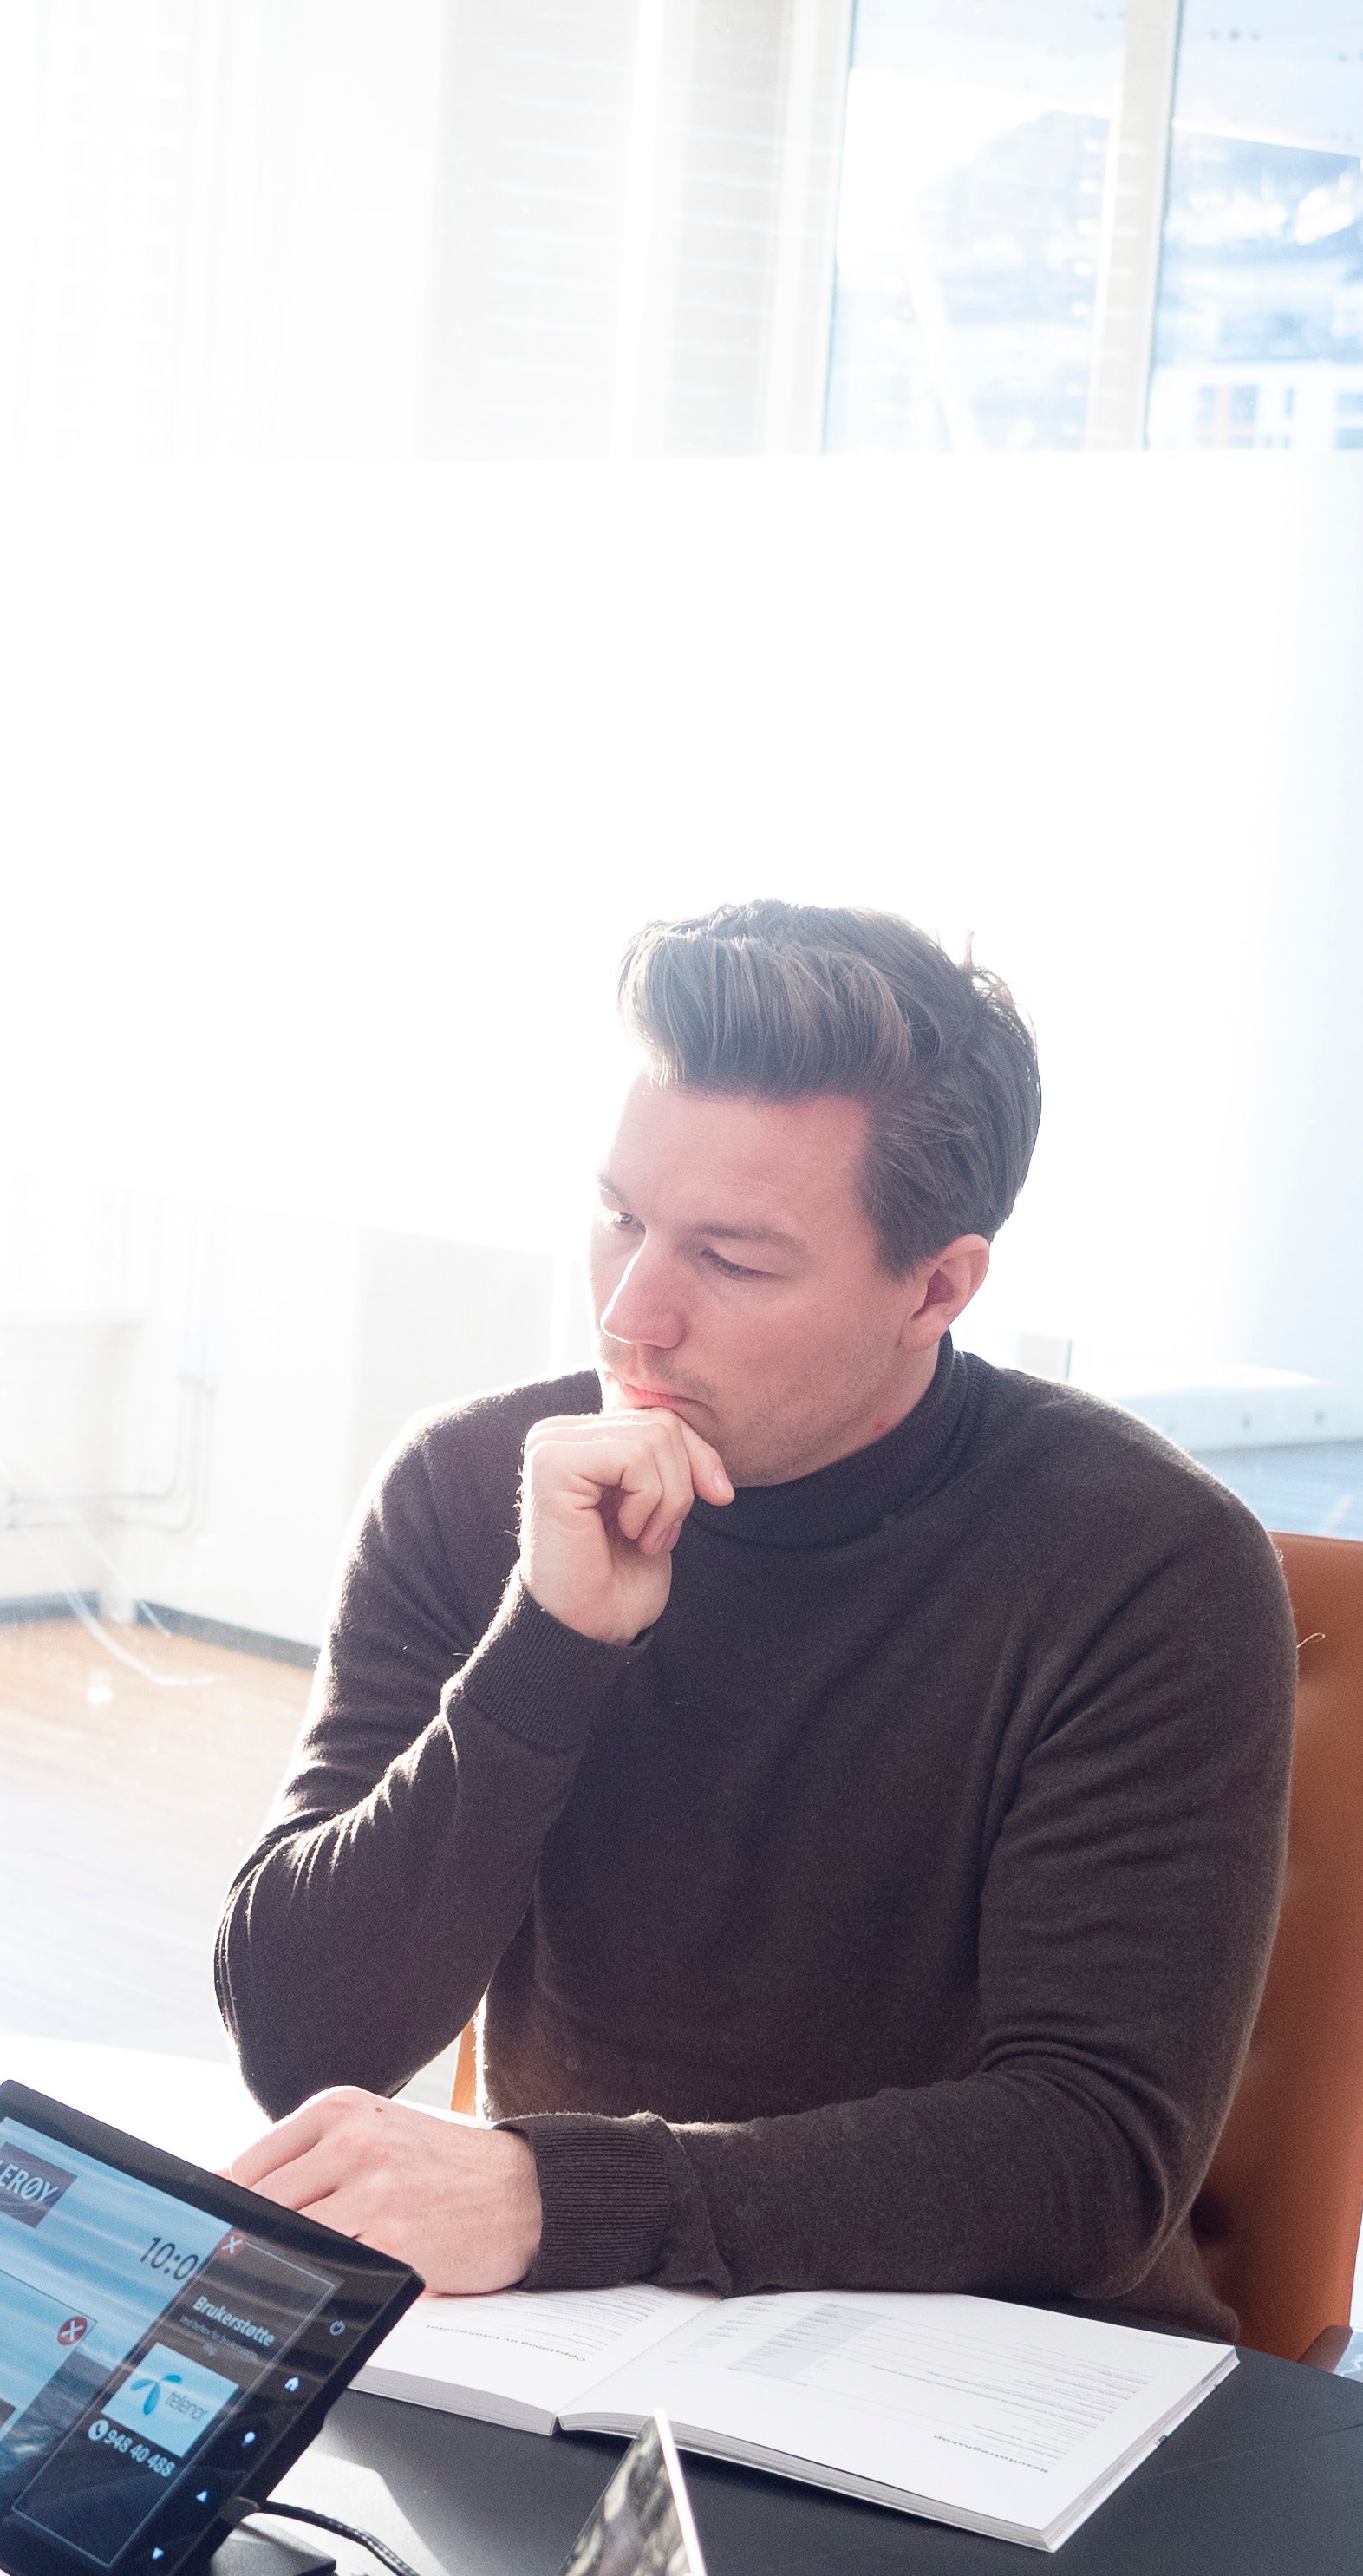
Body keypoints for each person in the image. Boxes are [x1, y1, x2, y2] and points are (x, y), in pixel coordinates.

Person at [214, 902, 1292, 2337]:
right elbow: (304, 2039)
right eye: (620, 1218)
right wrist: (548, 1642)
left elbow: (1093, 2158)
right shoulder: (480, 1487)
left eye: (732, 1260)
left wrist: (561, 2196)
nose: (633, 1318)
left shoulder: (1144, 1564)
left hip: (986, 2386)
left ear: (938, 1286)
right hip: (581, 2347)